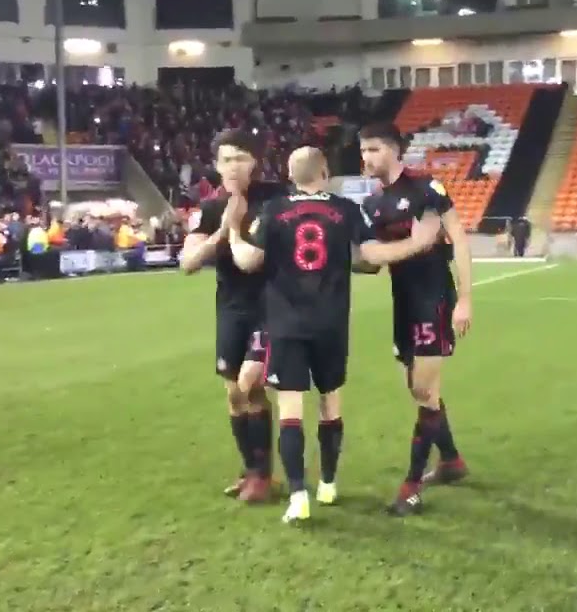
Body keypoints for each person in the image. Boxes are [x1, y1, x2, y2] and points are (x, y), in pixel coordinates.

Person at [228, 146, 442, 523]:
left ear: (292, 175)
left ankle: (298, 495)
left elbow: (249, 261)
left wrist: (232, 232)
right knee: (330, 404)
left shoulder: (274, 210)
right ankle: (328, 483)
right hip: (331, 322)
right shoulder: (346, 209)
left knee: (290, 409)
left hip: (286, 324)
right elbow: (371, 256)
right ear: (324, 172)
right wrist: (419, 243)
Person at [358, 122, 475, 516]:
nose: (366, 157)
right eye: (363, 150)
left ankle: (410, 486)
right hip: (403, 304)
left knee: (425, 391)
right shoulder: (373, 205)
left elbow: (458, 238)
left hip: (435, 300)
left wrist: (465, 300)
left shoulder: (427, 189)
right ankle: (452, 461)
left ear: (393, 149)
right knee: (418, 390)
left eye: (373, 148)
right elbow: (371, 261)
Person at [179, 129, 284, 504]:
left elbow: (256, 259)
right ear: (215, 164)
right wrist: (223, 230)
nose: (233, 166)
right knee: (235, 395)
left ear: (255, 161)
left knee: (249, 381)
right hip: (231, 309)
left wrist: (239, 231)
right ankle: (252, 470)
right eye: (226, 159)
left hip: (271, 306)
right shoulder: (209, 208)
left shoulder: (276, 200)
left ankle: (263, 475)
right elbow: (188, 263)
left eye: (240, 157)